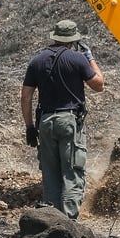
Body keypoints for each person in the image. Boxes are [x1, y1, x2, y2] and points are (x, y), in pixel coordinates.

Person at [21, 19, 105, 219]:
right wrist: (90, 58)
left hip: (46, 122)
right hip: (69, 122)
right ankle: (68, 223)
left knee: (50, 175)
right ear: (73, 41)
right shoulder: (77, 59)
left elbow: (25, 96)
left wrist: (30, 126)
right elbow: (99, 85)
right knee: (72, 174)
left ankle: (52, 221)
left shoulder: (37, 61)